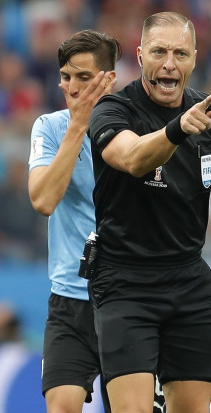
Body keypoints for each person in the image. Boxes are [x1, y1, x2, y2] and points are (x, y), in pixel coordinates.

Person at [86, 11, 211, 412]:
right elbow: (131, 158)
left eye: (180, 53)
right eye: (159, 51)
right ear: (141, 56)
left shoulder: (209, 114)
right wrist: (177, 129)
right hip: (125, 282)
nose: (169, 63)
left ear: (195, 58)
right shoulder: (113, 110)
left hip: (188, 281)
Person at [27, 30, 119, 413]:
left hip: (129, 300)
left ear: (109, 79)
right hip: (69, 299)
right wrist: (78, 125)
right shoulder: (48, 127)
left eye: (84, 77)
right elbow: (44, 199)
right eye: (66, 76)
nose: (72, 86)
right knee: (61, 405)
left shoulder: (136, 131)